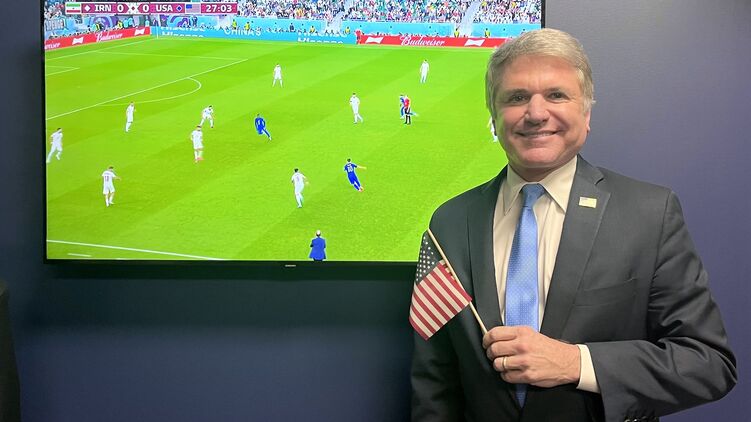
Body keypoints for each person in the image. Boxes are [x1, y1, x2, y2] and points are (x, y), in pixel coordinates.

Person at [410, 28, 736, 422]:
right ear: (494, 117)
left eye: (556, 95)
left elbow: (708, 363)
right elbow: (435, 381)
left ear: (586, 113)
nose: (535, 113)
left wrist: (576, 362)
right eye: (516, 97)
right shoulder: (450, 220)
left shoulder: (650, 213)